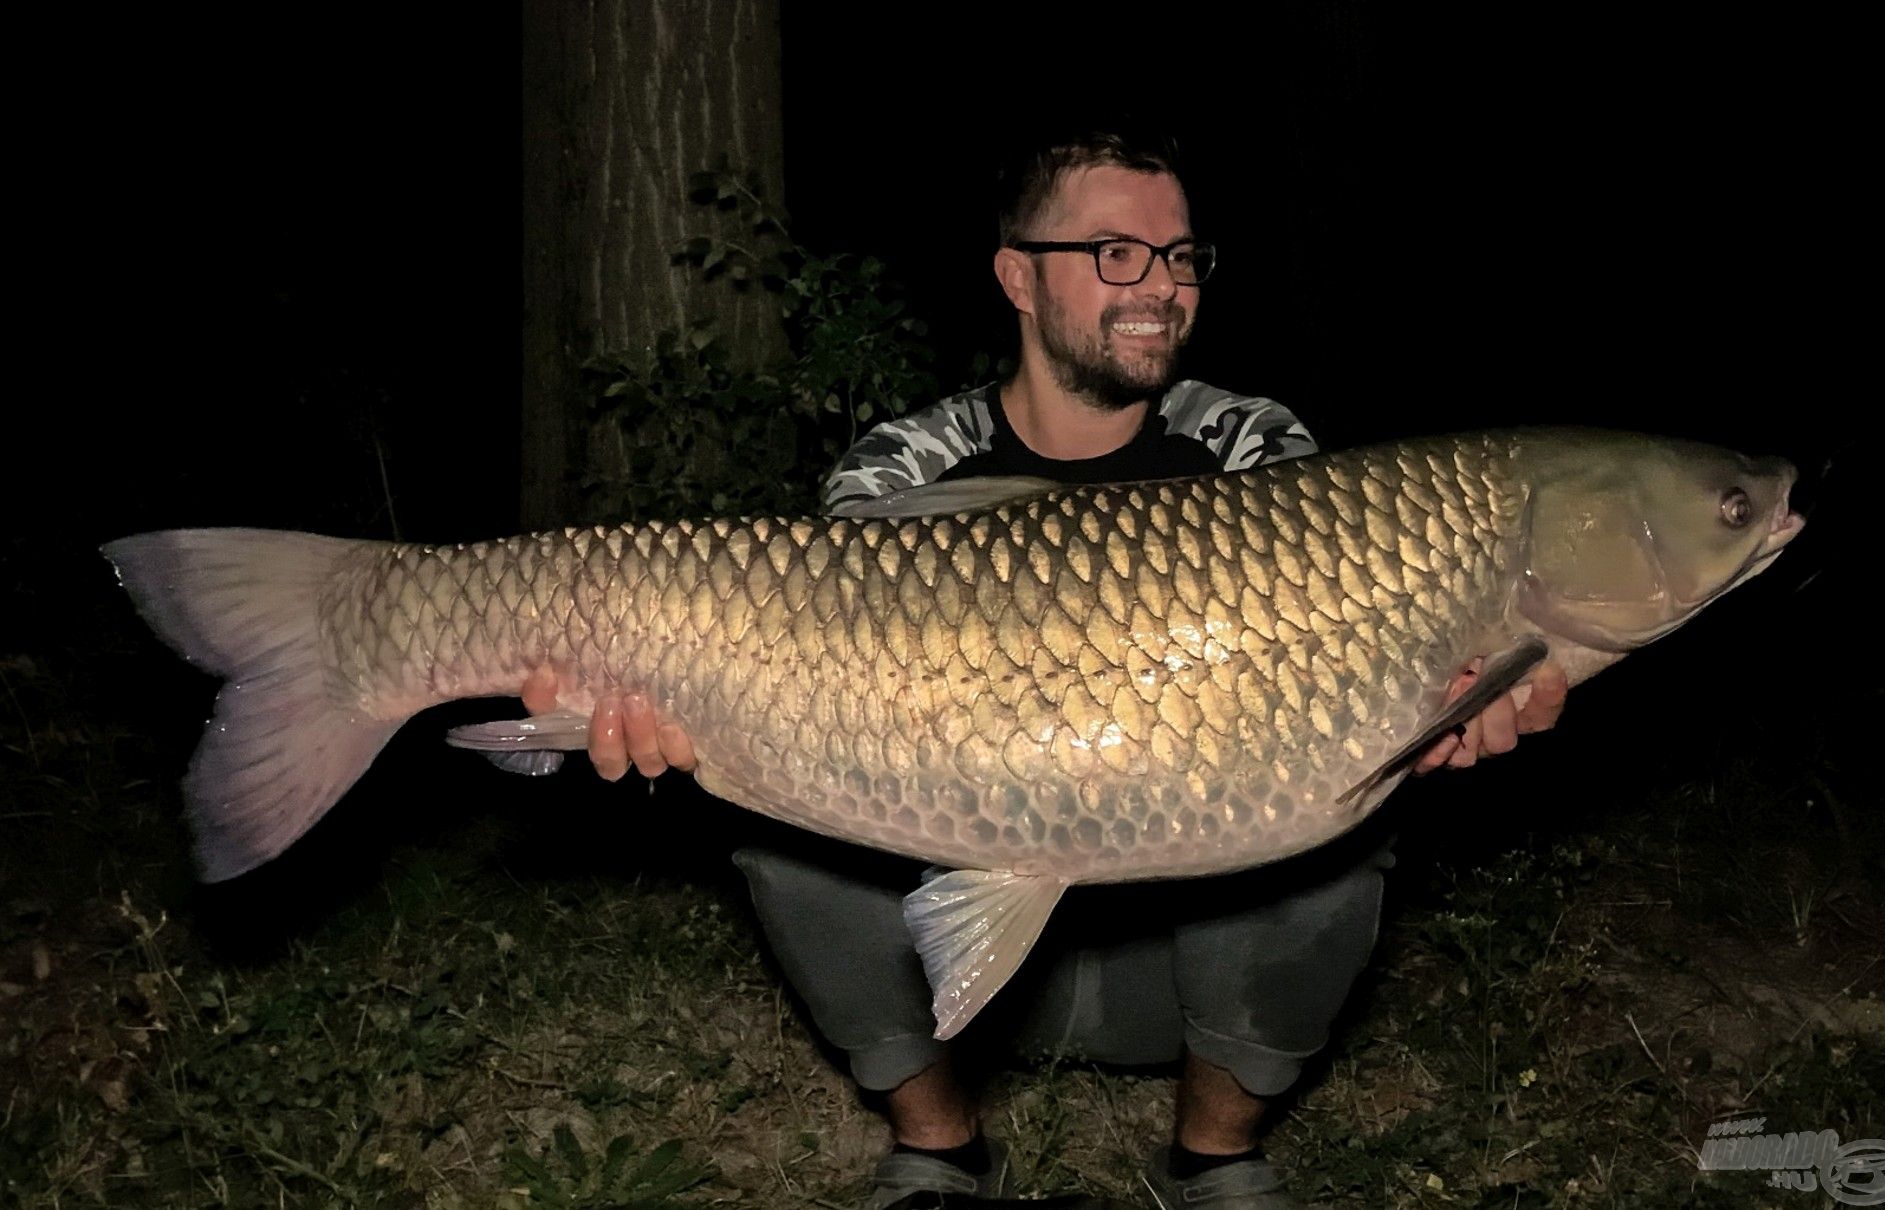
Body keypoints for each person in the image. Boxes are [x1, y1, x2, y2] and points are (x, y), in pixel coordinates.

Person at [521, 127, 1567, 1209]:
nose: (1159, 286)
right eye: (1116, 253)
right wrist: (674, 716)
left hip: (1188, 965)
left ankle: (1214, 1157)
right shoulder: (906, 467)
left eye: (1179, 256)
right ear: (1017, 275)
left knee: (1346, 814)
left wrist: (1452, 707)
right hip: (951, 979)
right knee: (788, 835)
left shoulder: (1257, 455)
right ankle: (942, 1150)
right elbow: (806, 687)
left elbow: (1355, 693)